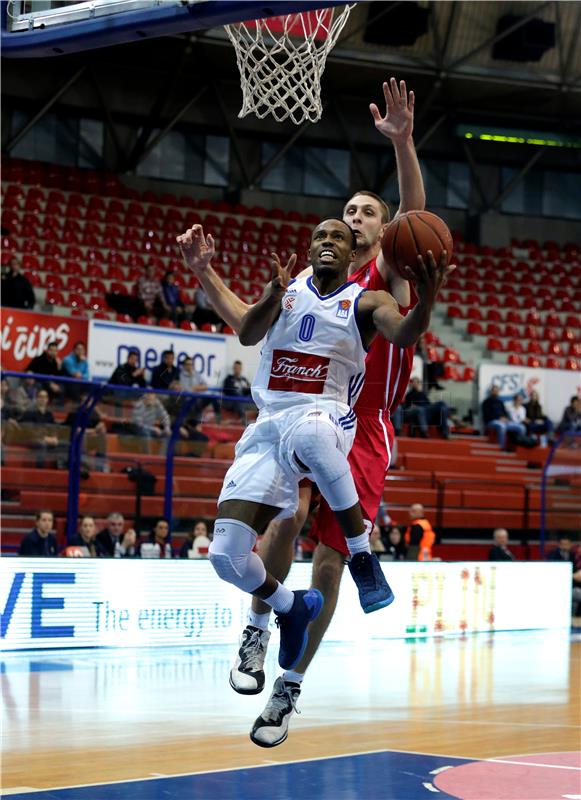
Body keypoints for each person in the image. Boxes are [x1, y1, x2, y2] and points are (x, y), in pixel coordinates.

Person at [178, 76, 434, 746]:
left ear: (382, 233)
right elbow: (247, 325)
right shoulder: (311, 283)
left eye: (366, 212)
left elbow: (412, 215)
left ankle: (288, 689)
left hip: (364, 428)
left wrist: (402, 142)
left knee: (329, 561)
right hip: (303, 417)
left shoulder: (386, 278)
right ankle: (260, 626)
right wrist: (207, 276)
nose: (354, 217)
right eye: (346, 210)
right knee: (283, 516)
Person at [18, 388, 66, 467]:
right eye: (41, 397)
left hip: (46, 438)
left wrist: (54, 437)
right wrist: (44, 438)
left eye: (45, 397)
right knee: (42, 444)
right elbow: (29, 430)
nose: (43, 399)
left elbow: (53, 428)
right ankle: (40, 469)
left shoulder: (49, 414)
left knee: (64, 444)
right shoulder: (29, 412)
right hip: (31, 438)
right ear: (37, 398)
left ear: (47, 399)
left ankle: (60, 467)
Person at [481, 384, 526, 450]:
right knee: (502, 426)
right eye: (494, 391)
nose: (496, 392)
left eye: (497, 391)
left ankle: (520, 449)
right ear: (491, 391)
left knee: (521, 427)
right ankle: (502, 448)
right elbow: (487, 415)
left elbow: (504, 413)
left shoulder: (500, 402)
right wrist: (499, 418)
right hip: (491, 422)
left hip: (503, 421)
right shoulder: (486, 402)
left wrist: (505, 418)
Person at [180, 356, 221, 420]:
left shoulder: (196, 374)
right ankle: (196, 420)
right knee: (195, 401)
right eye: (188, 364)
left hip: (198, 398)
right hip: (187, 400)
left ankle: (218, 420)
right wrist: (198, 388)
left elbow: (206, 386)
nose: (190, 366)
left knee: (213, 396)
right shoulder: (181, 375)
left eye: (191, 364)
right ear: (184, 365)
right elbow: (186, 390)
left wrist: (196, 388)